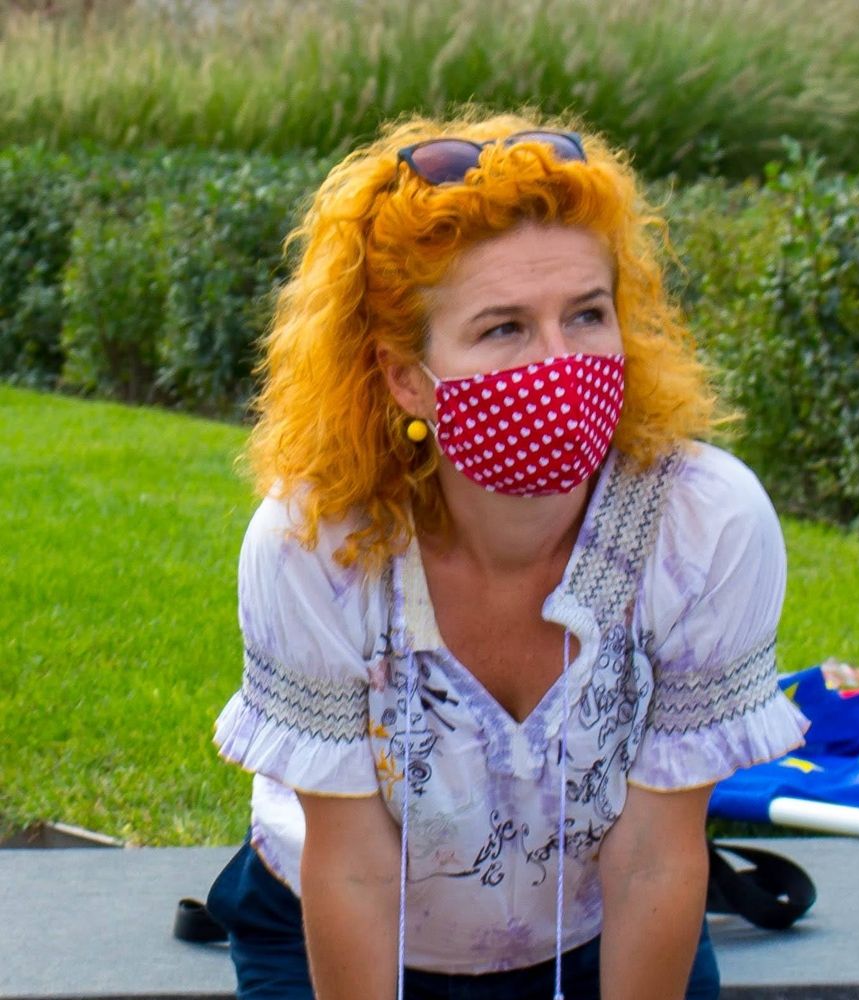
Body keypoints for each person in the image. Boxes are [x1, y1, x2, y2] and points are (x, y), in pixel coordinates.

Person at [208, 112, 809, 1000]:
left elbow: (653, 856)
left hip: (599, 935)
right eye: (504, 329)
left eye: (587, 314)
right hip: (333, 931)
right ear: (406, 378)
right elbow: (354, 870)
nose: (560, 363)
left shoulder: (705, 525)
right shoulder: (317, 542)